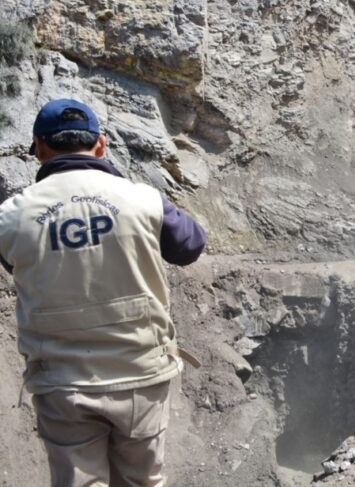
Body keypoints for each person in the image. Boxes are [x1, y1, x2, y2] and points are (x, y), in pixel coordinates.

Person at [0, 98, 207, 487]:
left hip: (63, 384)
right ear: (101, 145)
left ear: (39, 148)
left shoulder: (11, 216)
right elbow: (191, 245)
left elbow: (17, 265)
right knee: (142, 481)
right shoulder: (143, 199)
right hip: (141, 376)